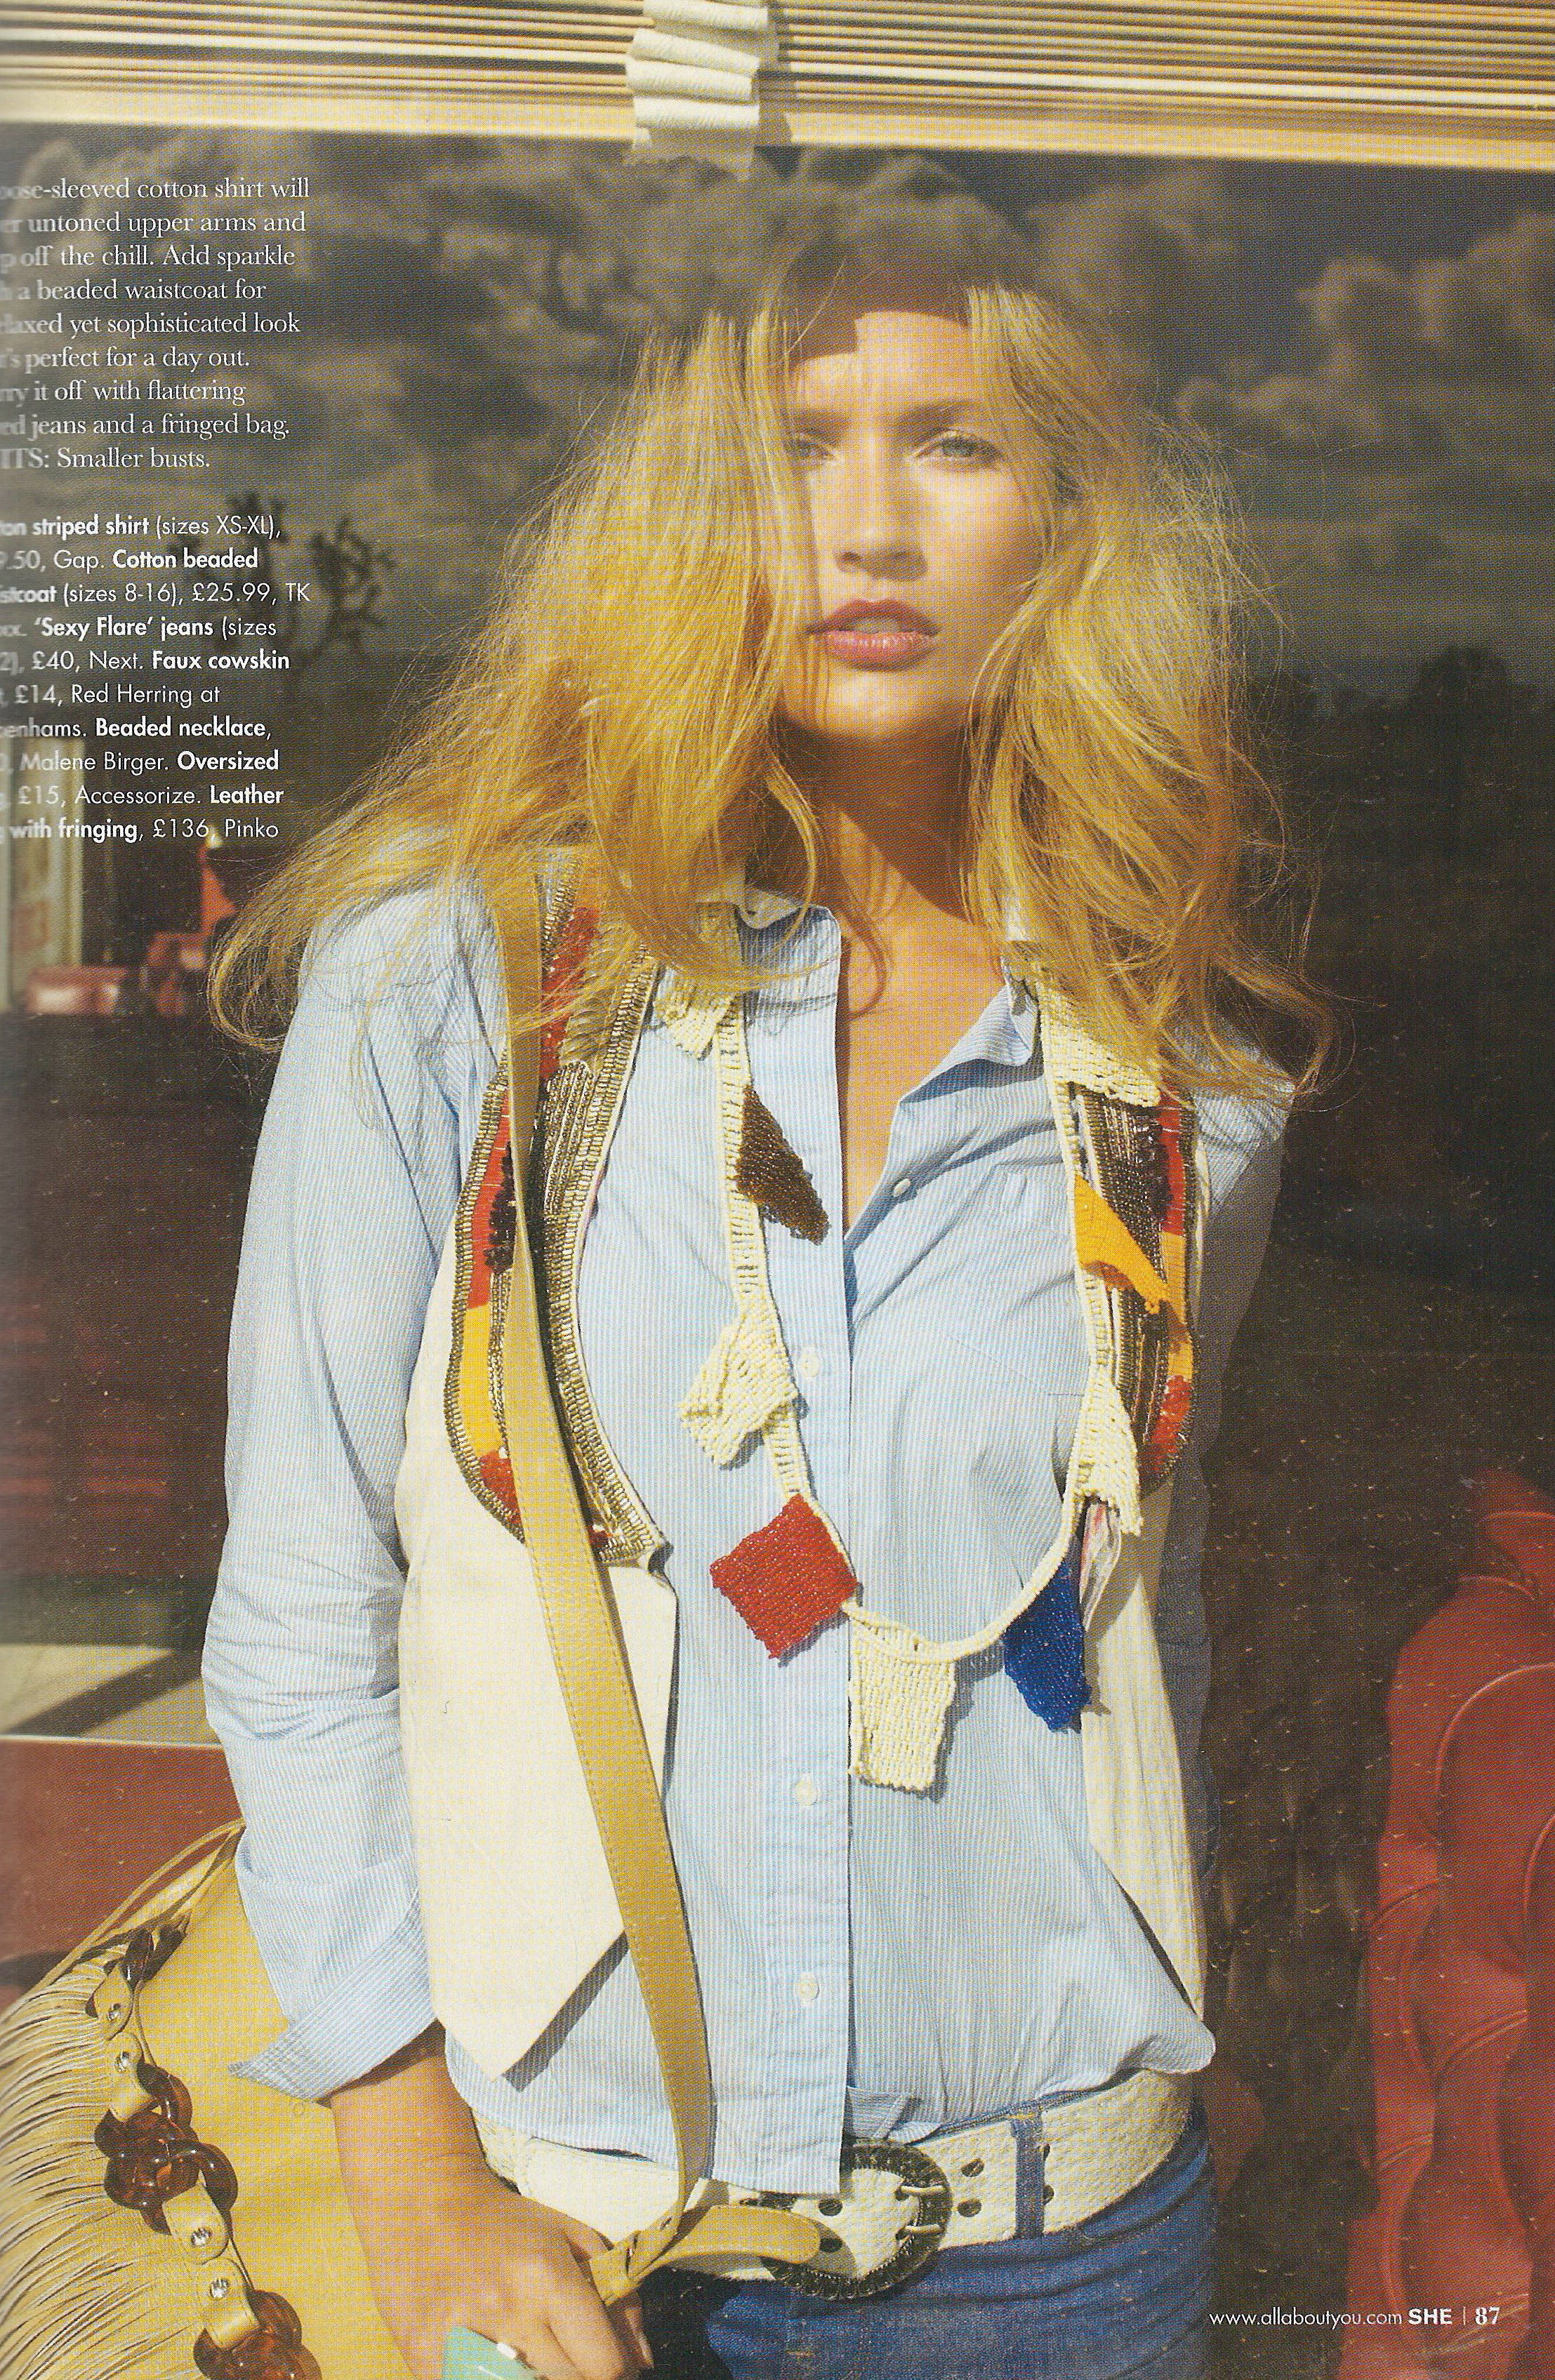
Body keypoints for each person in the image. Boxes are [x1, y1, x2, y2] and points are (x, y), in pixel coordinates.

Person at [204, 203, 1323, 2380]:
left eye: (956, 442)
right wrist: (408, 2168)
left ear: (1068, 519)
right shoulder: (451, 985)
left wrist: (1166, 1992)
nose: (868, 524)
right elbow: (301, 1608)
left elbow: (1132, 1603)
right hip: (580, 2253)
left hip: (1068, 2258)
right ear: (683, 509)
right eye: (795, 443)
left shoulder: (1177, 1082)